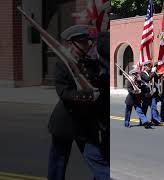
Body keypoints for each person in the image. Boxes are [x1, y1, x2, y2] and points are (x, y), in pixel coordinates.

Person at [47, 25, 109, 180]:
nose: (87, 45)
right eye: (83, 42)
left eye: (88, 41)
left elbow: (100, 86)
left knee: (98, 162)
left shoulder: (92, 63)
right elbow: (63, 93)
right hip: (66, 122)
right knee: (57, 165)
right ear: (72, 43)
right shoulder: (63, 64)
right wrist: (86, 96)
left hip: (86, 124)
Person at [140, 60, 163, 125]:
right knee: (145, 108)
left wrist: (161, 71)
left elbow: (157, 77)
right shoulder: (142, 74)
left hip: (153, 93)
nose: (150, 67)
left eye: (150, 65)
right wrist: (153, 71)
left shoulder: (152, 72)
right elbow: (148, 79)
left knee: (154, 107)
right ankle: (142, 121)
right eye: (148, 65)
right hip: (146, 94)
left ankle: (156, 120)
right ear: (145, 67)